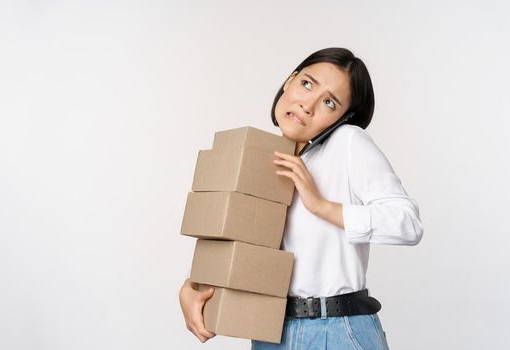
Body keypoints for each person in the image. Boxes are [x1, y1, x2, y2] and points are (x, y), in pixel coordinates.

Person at [179, 47, 424, 349]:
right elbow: (244, 245)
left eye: (329, 102)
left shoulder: (348, 143)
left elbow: (408, 223)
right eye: (307, 84)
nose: (308, 105)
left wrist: (321, 205)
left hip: (334, 330)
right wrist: (194, 283)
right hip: (271, 331)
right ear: (290, 81)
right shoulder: (268, 158)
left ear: (342, 117)